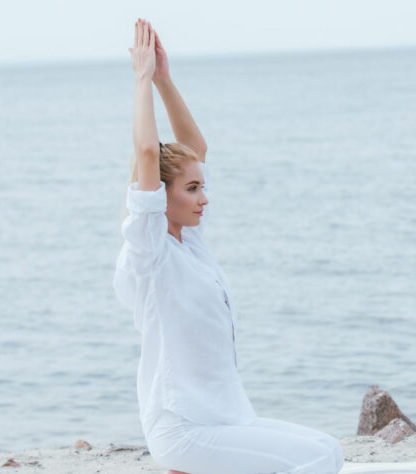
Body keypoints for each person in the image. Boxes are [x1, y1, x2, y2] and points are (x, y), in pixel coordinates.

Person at [113, 17, 344, 474]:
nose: (204, 198)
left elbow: (194, 146)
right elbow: (146, 155)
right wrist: (140, 78)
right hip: (183, 428)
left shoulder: (189, 243)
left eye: (201, 187)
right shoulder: (149, 250)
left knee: (328, 447)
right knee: (318, 460)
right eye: (193, 189)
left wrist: (164, 79)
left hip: (224, 417)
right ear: (162, 197)